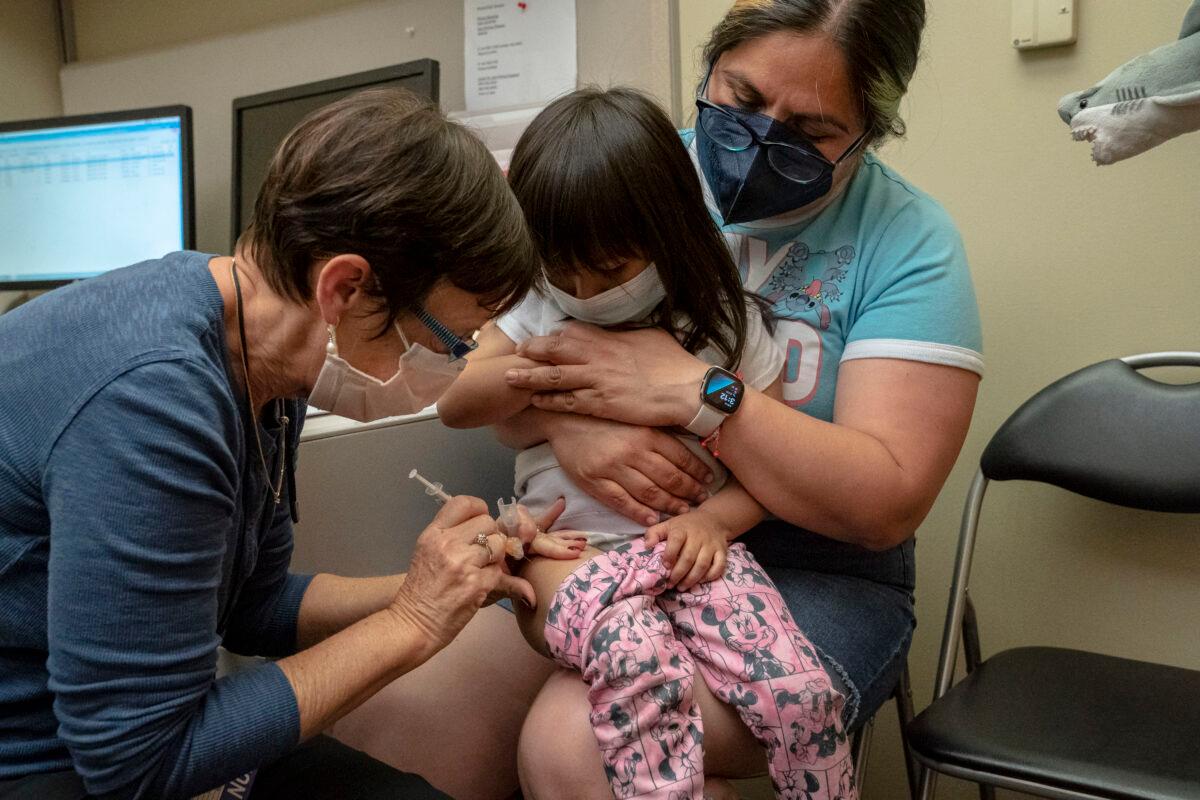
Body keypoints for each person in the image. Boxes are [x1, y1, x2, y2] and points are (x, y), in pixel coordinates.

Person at [330, 1, 982, 797]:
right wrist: (574, 420)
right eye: (740, 102)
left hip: (808, 564)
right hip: (595, 540)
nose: (757, 142)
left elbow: (883, 504)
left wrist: (693, 392)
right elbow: (472, 369)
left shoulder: (907, 242)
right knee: (390, 719)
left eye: (809, 132)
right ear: (709, 71)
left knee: (580, 746)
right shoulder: (613, 174)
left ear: (872, 127)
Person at [0, 88, 564, 800]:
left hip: (133, 739)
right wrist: (415, 620)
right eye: (448, 340)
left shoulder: (267, 353)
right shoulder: (155, 398)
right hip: (43, 758)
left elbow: (253, 608)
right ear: (347, 287)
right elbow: (139, 760)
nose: (455, 365)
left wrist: (454, 585)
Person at [437, 86, 857, 800]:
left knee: (801, 697)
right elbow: (457, 401)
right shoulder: (537, 305)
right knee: (636, 662)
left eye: (612, 268)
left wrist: (711, 523)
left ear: (668, 232)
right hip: (567, 553)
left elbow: (771, 467)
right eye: (563, 267)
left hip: (690, 556)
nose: (586, 290)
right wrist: (548, 382)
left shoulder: (723, 325)